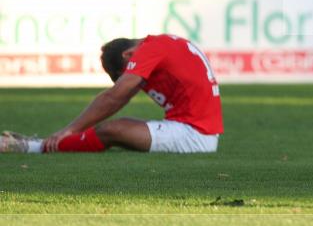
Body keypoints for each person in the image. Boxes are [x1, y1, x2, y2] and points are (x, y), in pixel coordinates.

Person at [0, 34, 223, 154]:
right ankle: (45, 143)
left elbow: (115, 96)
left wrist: (71, 129)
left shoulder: (148, 50)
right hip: (195, 129)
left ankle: (36, 147)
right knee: (114, 127)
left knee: (111, 130)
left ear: (128, 55)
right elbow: (120, 97)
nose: (126, 80)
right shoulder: (161, 45)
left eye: (121, 75)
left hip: (195, 135)